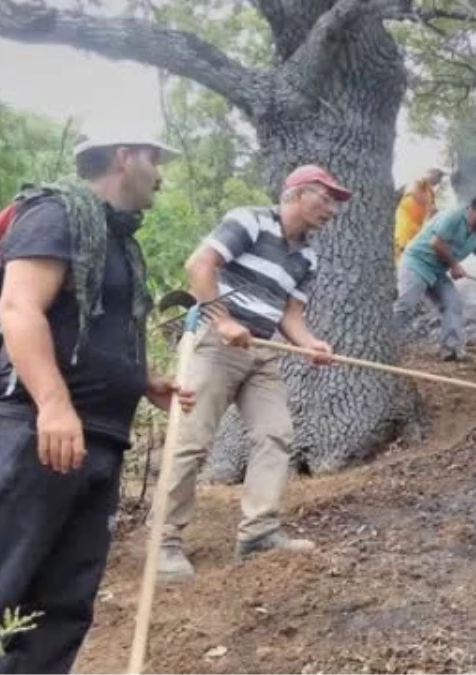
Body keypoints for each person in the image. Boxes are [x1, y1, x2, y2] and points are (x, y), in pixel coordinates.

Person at [0, 132, 193, 674]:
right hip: (33, 434)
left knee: (62, 605)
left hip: (99, 440)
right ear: (124, 157)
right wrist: (54, 406)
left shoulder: (119, 238)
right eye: (154, 158)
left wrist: (143, 378)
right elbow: (18, 307)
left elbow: (93, 327)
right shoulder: (54, 213)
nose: (161, 172)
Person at [156, 164, 349, 581]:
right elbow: (200, 265)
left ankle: (258, 532)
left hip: (262, 350)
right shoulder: (250, 220)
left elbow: (290, 314)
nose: (332, 209)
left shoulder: (308, 257)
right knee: (191, 440)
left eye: (336, 202)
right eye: (326, 197)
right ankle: (165, 541)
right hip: (215, 342)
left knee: (275, 433)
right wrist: (223, 319)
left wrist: (309, 344)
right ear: (297, 192)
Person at [394, 192, 476, 361]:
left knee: (453, 303)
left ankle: (450, 351)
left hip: (438, 271)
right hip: (416, 263)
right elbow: (436, 242)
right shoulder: (453, 217)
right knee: (406, 304)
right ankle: (386, 344)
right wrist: (455, 265)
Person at [393, 168, 445, 262]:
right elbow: (414, 191)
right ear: (430, 173)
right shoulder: (418, 181)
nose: (439, 181)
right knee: (401, 251)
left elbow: (432, 213)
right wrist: (429, 205)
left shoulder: (430, 193)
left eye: (440, 178)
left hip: (418, 229)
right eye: (438, 176)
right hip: (405, 225)